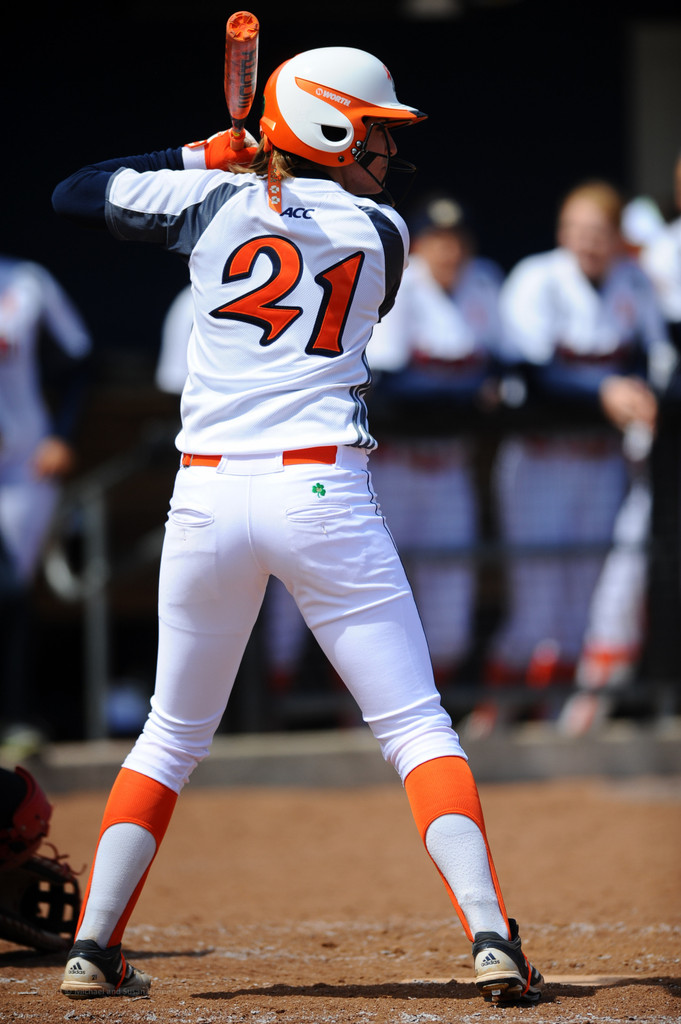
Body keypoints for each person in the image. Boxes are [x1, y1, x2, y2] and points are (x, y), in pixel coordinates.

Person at [52, 46, 542, 1005]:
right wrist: (255, 164)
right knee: (414, 726)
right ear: (328, 128)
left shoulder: (213, 204)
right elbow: (317, 232)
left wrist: (210, 153)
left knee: (167, 735)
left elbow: (78, 190)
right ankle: (490, 935)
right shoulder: (383, 233)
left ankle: (92, 946)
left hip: (203, 498)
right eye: (374, 133)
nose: (388, 155)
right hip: (321, 494)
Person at [473, 180, 674, 738]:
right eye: (578, 230)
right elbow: (530, 374)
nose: (588, 242)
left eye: (600, 232)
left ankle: (558, 723)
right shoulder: (538, 278)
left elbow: (656, 359)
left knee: (591, 598)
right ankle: (495, 717)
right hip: (541, 463)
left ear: (617, 238)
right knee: (538, 603)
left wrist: (638, 388)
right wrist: (606, 390)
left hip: (602, 462)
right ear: (563, 234)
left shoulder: (633, 282)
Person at [366, 193, 505, 687]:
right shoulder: (398, 283)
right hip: (391, 471)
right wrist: (471, 391)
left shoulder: (483, 284)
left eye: (457, 241)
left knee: (449, 620)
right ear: (418, 246)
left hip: (449, 470)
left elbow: (509, 370)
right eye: (437, 241)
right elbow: (388, 389)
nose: (449, 252)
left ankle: (431, 722)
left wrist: (468, 390)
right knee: (375, 609)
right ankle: (354, 720)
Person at [0, 255, 92, 752]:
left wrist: (62, 435)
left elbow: (79, 361)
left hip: (20, 462)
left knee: (11, 590)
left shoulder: (28, 282)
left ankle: (16, 719)